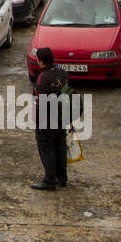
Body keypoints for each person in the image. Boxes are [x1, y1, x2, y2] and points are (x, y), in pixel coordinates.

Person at [30, 47, 70, 191]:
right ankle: (62, 177)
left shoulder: (42, 78)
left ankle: (49, 181)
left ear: (40, 61)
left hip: (46, 120)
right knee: (60, 147)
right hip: (61, 118)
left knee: (46, 149)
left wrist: (38, 121)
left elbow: (40, 100)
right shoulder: (63, 74)